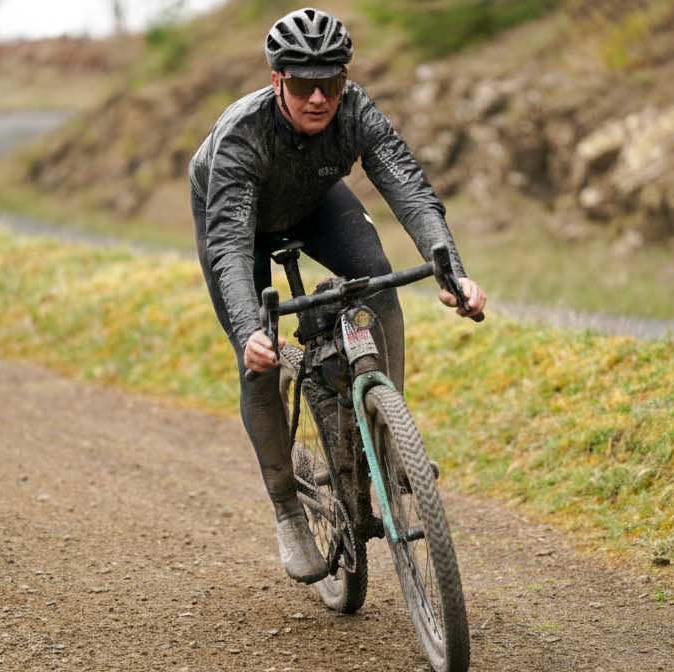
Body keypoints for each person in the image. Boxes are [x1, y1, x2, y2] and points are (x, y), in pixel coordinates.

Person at [188, 7, 487, 583]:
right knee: (259, 357)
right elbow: (228, 248)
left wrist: (453, 273)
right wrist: (249, 329)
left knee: (378, 281)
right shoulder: (242, 137)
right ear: (278, 81)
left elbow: (411, 191)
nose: (319, 98)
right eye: (304, 85)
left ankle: (391, 437)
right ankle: (287, 509)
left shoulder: (355, 111)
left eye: (331, 82)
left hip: (313, 201)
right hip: (237, 224)